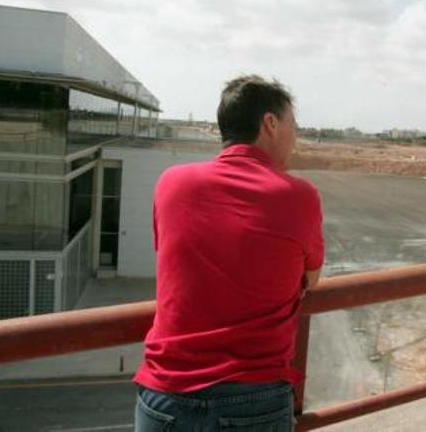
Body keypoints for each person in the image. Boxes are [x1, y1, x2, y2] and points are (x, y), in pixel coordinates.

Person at [134, 75, 324, 432]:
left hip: (166, 394)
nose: (296, 138)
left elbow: (175, 259)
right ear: (270, 123)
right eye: (293, 125)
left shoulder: (171, 183)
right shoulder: (299, 196)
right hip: (254, 399)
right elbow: (310, 280)